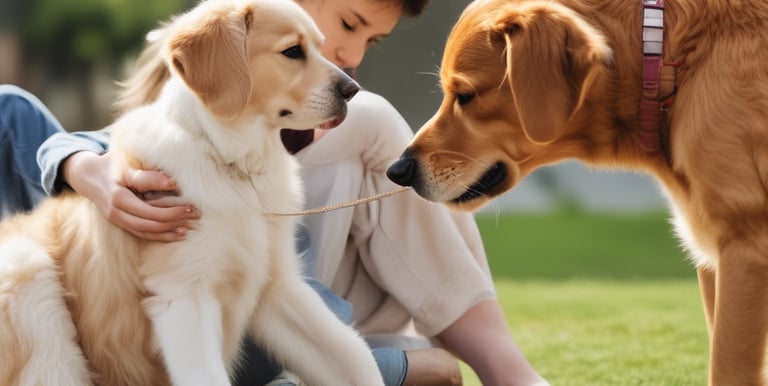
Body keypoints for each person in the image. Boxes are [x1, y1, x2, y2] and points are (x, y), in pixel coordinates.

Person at [1, 0, 550, 385]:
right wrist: (80, 161)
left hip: (262, 301)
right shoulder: (218, 52)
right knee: (377, 120)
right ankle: (419, 366)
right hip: (180, 325)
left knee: (379, 131)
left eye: (370, 39)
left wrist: (74, 162)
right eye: (349, 23)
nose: (353, 56)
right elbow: (58, 123)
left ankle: (467, 364)